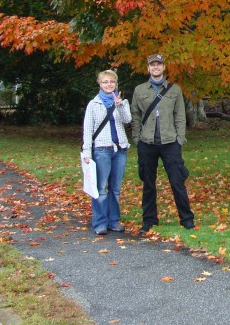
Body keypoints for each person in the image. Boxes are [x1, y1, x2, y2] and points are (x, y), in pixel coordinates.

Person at [131, 53, 195, 234]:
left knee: (177, 181)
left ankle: (187, 219)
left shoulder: (174, 90)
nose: (156, 67)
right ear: (148, 68)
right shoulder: (140, 90)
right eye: (152, 65)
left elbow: (180, 116)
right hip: (147, 142)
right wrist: (137, 138)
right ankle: (149, 220)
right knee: (148, 183)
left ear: (164, 67)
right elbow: (135, 115)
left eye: (158, 64)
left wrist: (179, 139)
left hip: (170, 142)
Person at [82, 69, 131, 235]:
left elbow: (127, 120)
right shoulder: (93, 104)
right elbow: (88, 130)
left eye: (112, 82)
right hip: (102, 150)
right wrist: (87, 152)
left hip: (120, 149)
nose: (109, 84)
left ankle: (113, 221)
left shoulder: (121, 102)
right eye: (105, 82)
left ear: (116, 84)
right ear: (100, 84)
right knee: (101, 188)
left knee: (115, 188)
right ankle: (100, 223)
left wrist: (121, 105)